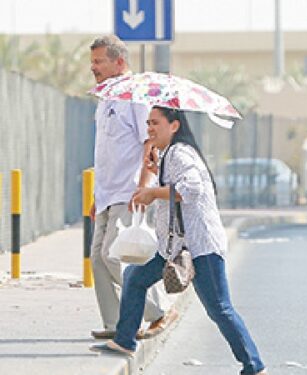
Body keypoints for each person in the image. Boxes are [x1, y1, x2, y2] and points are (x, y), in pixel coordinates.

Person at [90, 107, 266, 375]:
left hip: (200, 245)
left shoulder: (181, 153)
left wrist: (153, 192)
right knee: (135, 279)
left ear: (174, 125)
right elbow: (173, 186)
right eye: (148, 123)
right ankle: (125, 341)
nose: (150, 128)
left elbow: (191, 189)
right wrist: (153, 168)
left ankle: (254, 366)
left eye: (156, 123)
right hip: (174, 246)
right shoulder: (169, 154)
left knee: (219, 308)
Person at [88, 35, 175, 339]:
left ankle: (160, 310)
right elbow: (106, 151)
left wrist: (143, 188)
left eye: (99, 61)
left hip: (127, 192)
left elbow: (148, 143)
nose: (93, 68)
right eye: (93, 62)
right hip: (106, 194)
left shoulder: (135, 97)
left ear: (119, 62)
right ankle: (115, 324)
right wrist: (95, 196)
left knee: (114, 256)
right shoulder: (106, 99)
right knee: (98, 260)